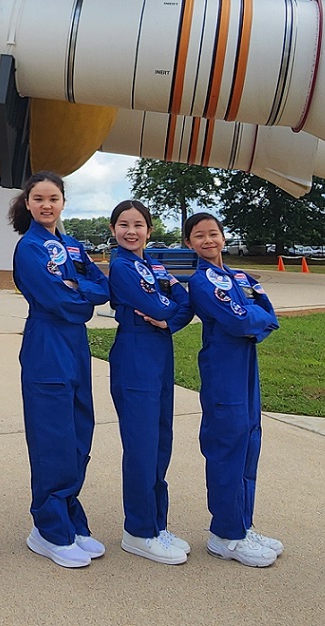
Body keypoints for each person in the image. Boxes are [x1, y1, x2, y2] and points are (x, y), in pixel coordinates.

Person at [8, 171, 109, 569]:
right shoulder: (29, 248)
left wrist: (76, 288)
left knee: (80, 430)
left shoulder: (73, 246)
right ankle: (48, 529)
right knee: (53, 436)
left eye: (53, 198)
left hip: (76, 347)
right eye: (39, 199)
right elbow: (58, 300)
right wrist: (79, 295)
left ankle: (69, 515)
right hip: (47, 344)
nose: (46, 205)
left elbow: (101, 287)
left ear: (63, 202)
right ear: (28, 204)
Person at [184, 211, 283, 569]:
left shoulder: (239, 277)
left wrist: (254, 318)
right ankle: (225, 534)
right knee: (228, 445)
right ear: (189, 243)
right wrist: (253, 318)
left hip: (246, 365)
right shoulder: (201, 282)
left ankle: (243, 524)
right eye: (199, 235)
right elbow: (239, 320)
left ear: (223, 237)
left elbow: (267, 311)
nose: (208, 240)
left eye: (213, 233)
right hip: (223, 368)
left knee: (249, 443)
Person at [106, 200, 195, 565]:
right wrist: (168, 309)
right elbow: (161, 306)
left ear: (149, 230)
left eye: (138, 225)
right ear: (113, 230)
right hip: (135, 352)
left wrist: (169, 317)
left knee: (160, 440)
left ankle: (157, 524)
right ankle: (138, 530)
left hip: (160, 350)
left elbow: (185, 303)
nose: (131, 231)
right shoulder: (121, 267)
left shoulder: (154, 265)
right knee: (142, 444)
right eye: (124, 225)